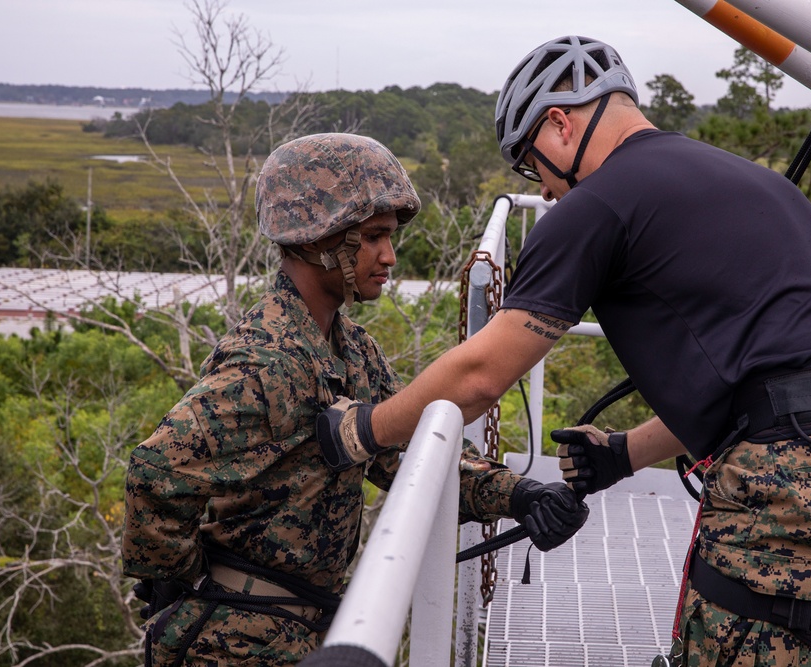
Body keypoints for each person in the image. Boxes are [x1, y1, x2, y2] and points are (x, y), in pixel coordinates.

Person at [316, 38, 811, 666]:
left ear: (558, 126)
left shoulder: (596, 204)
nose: (543, 190)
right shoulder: (759, 185)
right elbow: (784, 382)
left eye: (530, 164)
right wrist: (623, 453)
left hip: (800, 489)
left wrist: (362, 429)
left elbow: (483, 373)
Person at [121, 133, 589, 667]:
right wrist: (184, 575)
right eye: (373, 237)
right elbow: (154, 471)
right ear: (319, 238)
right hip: (234, 640)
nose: (389, 256)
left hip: (299, 628)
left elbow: (401, 455)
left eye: (388, 237)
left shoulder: (352, 351)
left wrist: (520, 495)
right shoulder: (268, 363)